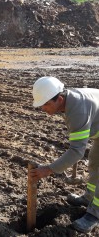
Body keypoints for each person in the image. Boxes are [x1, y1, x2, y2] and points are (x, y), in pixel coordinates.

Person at [30, 76, 99, 233]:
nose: (43, 109)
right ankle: (89, 197)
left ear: (59, 99)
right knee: (95, 162)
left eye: (46, 104)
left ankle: (94, 214)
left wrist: (48, 169)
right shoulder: (68, 102)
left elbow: (76, 151)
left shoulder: (77, 109)